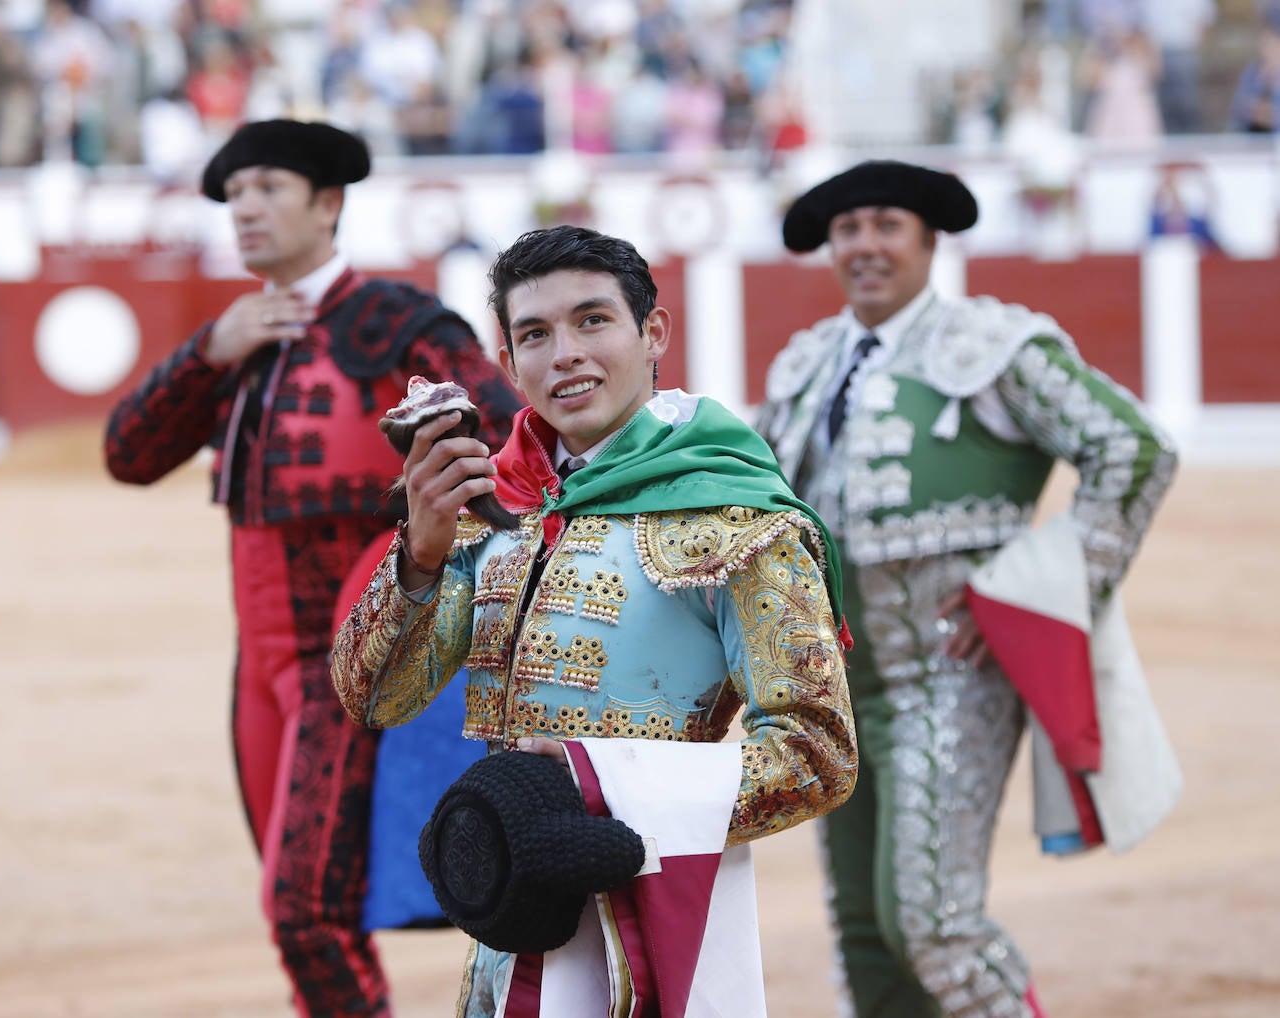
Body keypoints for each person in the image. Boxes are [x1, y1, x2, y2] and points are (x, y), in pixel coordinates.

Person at [331, 224, 859, 1016]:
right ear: (509, 365)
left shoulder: (735, 515)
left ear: (653, 333)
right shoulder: (494, 509)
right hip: (513, 911)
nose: (565, 354)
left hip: (659, 897)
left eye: (593, 321)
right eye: (535, 335)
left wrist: (613, 800)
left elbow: (820, 751)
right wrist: (421, 557)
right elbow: (374, 699)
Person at [103, 118, 521, 1017]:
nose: (245, 208)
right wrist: (208, 348)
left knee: (304, 909)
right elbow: (128, 454)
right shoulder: (240, 340)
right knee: (304, 905)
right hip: (257, 667)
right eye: (236, 193)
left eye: (268, 188)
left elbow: (510, 447)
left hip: (348, 657)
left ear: (328, 203)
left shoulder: (400, 323)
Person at [755, 160, 1177, 1018]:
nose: (865, 245)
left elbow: (1134, 450)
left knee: (933, 927)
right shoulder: (806, 366)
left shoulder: (993, 348)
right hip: (832, 691)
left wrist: (1040, 590)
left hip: (949, 674)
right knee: (866, 930)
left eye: (886, 225)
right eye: (849, 229)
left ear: (929, 241)